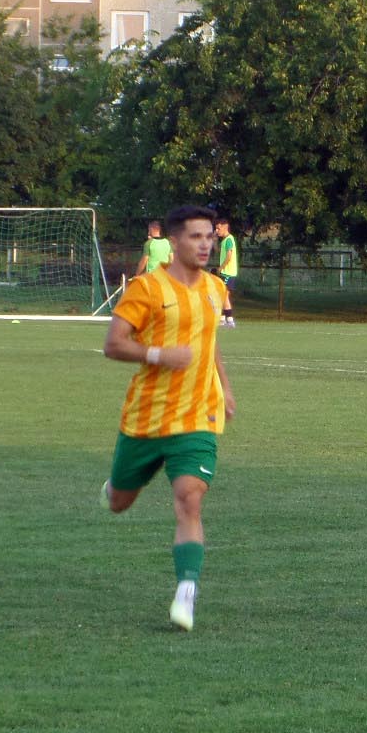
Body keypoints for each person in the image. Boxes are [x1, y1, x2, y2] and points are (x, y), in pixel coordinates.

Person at [100, 205, 237, 631]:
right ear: (174, 242)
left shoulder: (215, 288)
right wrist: (160, 355)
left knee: (190, 498)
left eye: (209, 237)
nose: (205, 244)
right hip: (147, 417)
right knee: (119, 503)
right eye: (196, 237)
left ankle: (186, 594)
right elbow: (113, 344)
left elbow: (209, 341)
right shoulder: (147, 288)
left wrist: (225, 387)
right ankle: (116, 485)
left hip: (197, 416)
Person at [214, 217, 239, 327]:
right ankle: (223, 319)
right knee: (223, 295)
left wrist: (221, 268)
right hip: (226, 272)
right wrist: (214, 241)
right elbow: (219, 252)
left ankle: (229, 320)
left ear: (225, 227)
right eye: (216, 229)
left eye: (218, 228)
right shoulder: (224, 240)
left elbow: (229, 256)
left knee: (224, 295)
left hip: (228, 272)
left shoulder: (229, 239)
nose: (216, 231)